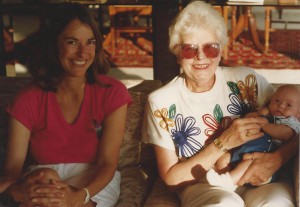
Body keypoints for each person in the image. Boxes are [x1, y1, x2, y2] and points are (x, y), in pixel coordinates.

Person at [142, 1, 298, 207]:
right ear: (178, 54)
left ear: (221, 50)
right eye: (189, 49)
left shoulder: (246, 81)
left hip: (262, 177)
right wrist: (223, 142)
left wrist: (278, 158)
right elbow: (171, 179)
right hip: (204, 185)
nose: (201, 56)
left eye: (210, 48)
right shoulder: (161, 102)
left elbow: (295, 123)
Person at [0, 3, 132, 207]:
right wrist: (17, 192)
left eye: (90, 42)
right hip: (42, 177)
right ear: (53, 45)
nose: (83, 53)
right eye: (72, 42)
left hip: (94, 179)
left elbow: (107, 163)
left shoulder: (112, 92)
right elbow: (12, 171)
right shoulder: (27, 99)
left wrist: (80, 196)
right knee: (46, 178)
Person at [206, 84, 300, 191]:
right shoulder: (265, 116)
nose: (281, 106)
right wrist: (259, 114)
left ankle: (228, 181)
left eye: (289, 105)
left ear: (298, 113)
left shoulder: (291, 122)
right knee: (223, 158)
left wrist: (265, 125)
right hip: (241, 153)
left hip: (261, 162)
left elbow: (286, 134)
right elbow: (246, 119)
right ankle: (224, 177)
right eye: (277, 101)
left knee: (248, 163)